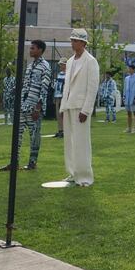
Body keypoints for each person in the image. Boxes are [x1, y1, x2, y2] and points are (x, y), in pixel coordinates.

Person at [1, 40, 51, 171]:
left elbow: (44, 88)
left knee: (34, 135)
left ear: (40, 50)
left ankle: (32, 162)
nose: (30, 51)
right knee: (17, 133)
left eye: (33, 48)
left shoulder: (45, 66)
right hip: (23, 106)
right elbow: (26, 84)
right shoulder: (29, 66)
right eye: (30, 48)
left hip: (34, 107)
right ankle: (14, 162)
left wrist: (38, 107)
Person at [59, 29, 99, 186]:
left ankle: (84, 177)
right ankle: (72, 173)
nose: (72, 43)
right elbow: (66, 87)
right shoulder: (69, 61)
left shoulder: (91, 61)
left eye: (75, 40)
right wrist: (63, 107)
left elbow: (92, 88)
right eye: (72, 40)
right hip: (69, 106)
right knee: (70, 143)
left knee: (82, 143)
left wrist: (86, 110)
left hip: (81, 108)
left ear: (83, 43)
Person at [124, 63, 135, 133]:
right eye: (129, 69)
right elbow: (125, 88)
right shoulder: (126, 78)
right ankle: (129, 128)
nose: (129, 70)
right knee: (128, 113)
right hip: (127, 98)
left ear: (134, 70)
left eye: (130, 69)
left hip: (133, 97)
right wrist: (124, 96)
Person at [53, 59, 66, 138]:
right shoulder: (59, 74)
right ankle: (60, 130)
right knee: (58, 114)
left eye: (62, 64)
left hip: (63, 96)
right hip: (57, 96)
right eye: (60, 64)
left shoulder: (67, 74)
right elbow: (57, 86)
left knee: (62, 114)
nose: (60, 66)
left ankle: (64, 131)